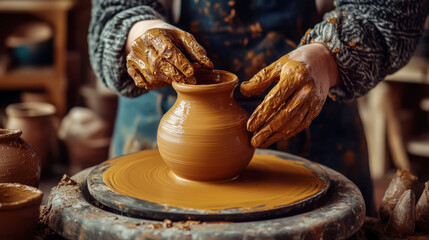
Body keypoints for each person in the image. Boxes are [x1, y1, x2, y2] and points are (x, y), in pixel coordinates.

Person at [88, 0, 428, 217]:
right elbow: (114, 8)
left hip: (314, 109)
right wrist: (139, 31)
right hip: (162, 120)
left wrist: (327, 58)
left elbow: (390, 13)